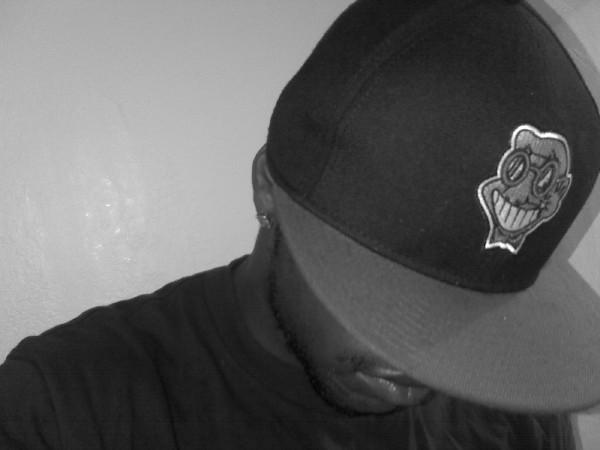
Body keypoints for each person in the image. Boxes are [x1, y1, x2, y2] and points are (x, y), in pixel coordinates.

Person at [1, 0, 599, 448]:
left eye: (483, 312)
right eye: (398, 295)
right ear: (270, 187)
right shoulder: (65, 409)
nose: (436, 362)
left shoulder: (509, 405)